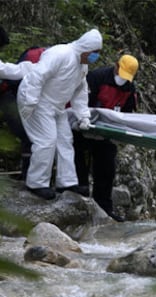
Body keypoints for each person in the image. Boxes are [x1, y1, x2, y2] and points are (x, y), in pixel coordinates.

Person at [16, 29, 103, 200]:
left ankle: (67, 182)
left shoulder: (82, 65)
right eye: (94, 53)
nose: (96, 57)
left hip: (57, 105)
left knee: (65, 140)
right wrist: (30, 101)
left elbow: (80, 91)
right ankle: (36, 183)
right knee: (46, 141)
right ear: (86, 48)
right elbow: (38, 75)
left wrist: (83, 116)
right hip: (38, 100)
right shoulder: (60, 53)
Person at [73, 54, 139, 222]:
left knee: (107, 170)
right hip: (84, 127)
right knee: (79, 162)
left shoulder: (129, 89)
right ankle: (78, 203)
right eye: (122, 73)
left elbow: (127, 114)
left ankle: (104, 209)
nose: (123, 79)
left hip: (107, 134)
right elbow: (81, 100)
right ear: (116, 66)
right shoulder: (96, 77)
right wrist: (83, 120)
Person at [0, 46, 46, 180]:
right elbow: (10, 73)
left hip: (12, 95)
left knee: (28, 136)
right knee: (27, 134)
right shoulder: (37, 56)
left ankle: (26, 172)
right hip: (11, 96)